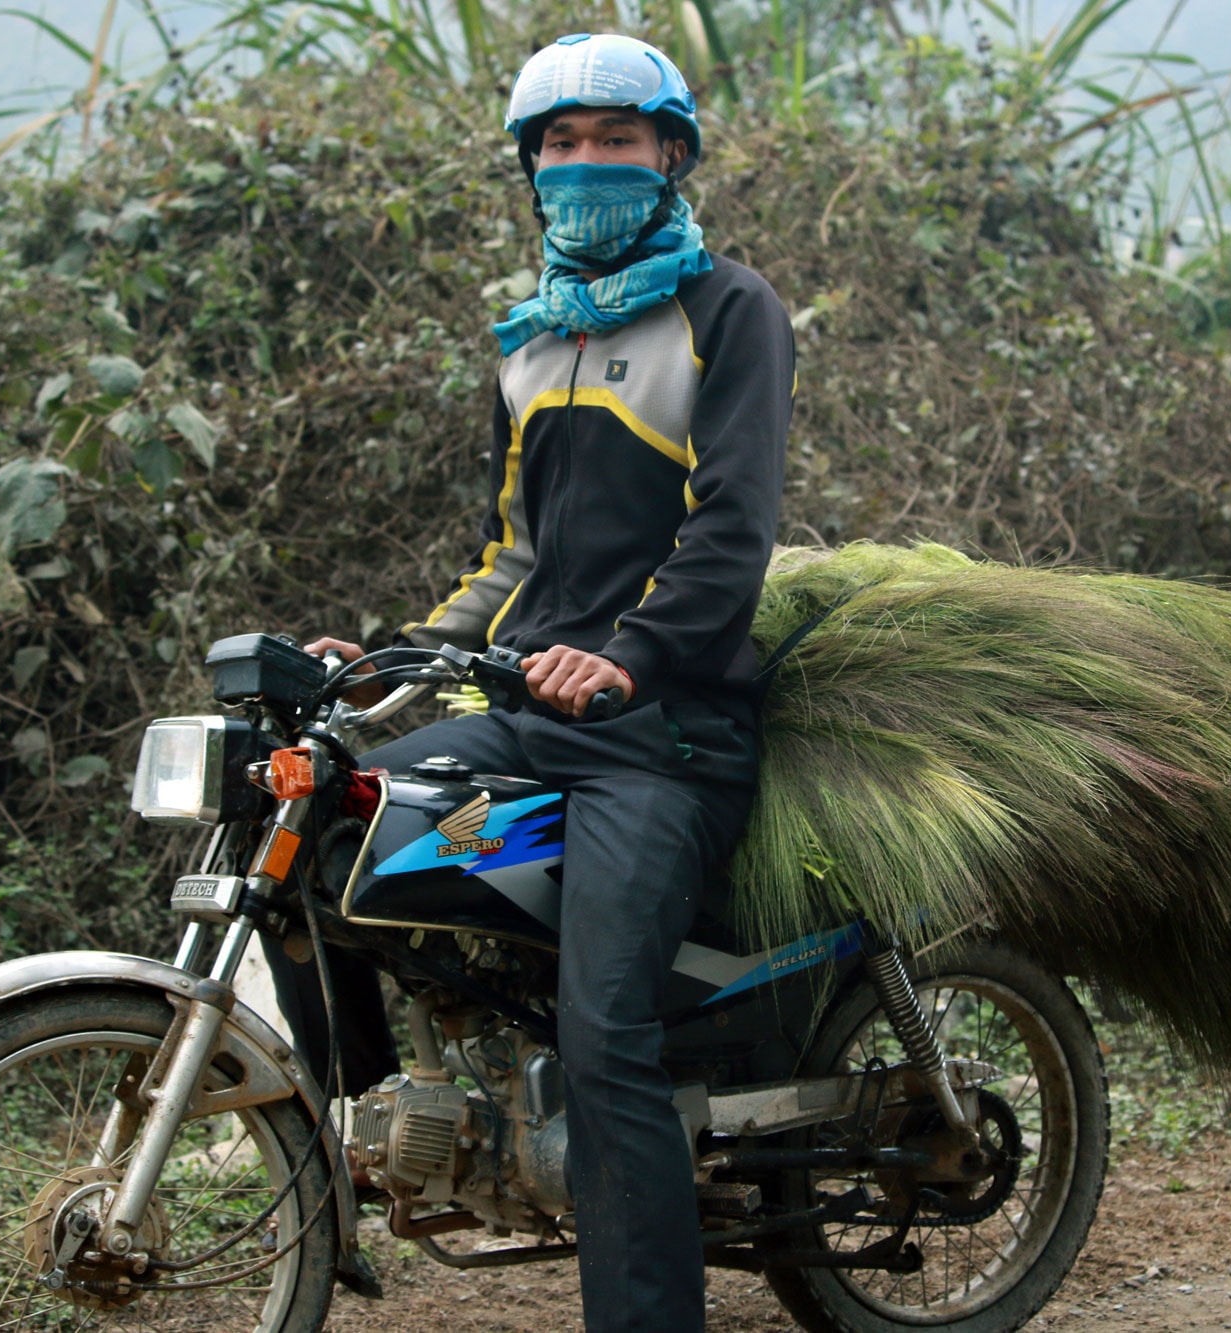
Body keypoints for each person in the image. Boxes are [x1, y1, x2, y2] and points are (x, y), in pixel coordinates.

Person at [273, 32, 795, 1331]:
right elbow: (513, 555)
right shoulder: (532, 341)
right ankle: (364, 1159)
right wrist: (382, 668)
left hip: (665, 734)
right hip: (523, 720)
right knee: (321, 828)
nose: (583, 164)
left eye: (613, 138)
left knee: (608, 1031)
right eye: (557, 144)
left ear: (669, 155)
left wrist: (624, 655)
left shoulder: (731, 312)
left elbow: (732, 530)